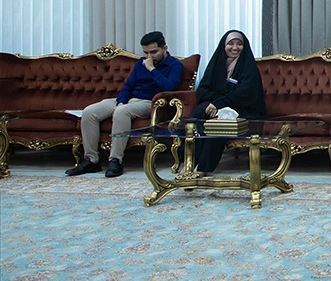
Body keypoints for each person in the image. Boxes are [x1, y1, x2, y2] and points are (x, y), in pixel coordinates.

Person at [66, 31, 184, 178]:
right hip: (130, 100)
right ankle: (91, 160)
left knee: (121, 112)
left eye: (154, 52)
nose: (149, 57)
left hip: (150, 102)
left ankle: (115, 160)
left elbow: (169, 87)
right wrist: (121, 101)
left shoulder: (175, 65)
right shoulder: (141, 63)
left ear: (164, 48)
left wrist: (152, 69)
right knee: (90, 111)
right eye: (146, 53)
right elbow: (128, 86)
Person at [187, 30, 266, 175]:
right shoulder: (216, 64)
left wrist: (218, 104)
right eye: (231, 44)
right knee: (199, 113)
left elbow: (243, 95)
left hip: (244, 110)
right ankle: (189, 162)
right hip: (217, 106)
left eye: (239, 44)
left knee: (221, 122)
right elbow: (203, 90)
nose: (235, 48)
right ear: (223, 46)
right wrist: (215, 104)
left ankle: (202, 167)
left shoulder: (249, 67)